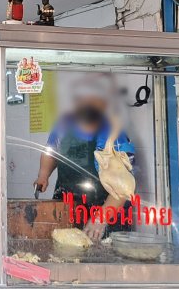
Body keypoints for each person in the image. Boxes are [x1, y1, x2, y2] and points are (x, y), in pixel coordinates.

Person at [33, 78, 135, 241]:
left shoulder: (113, 134)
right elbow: (50, 151)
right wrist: (43, 175)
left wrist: (100, 218)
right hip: (69, 206)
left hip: (106, 214)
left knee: (103, 253)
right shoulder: (63, 126)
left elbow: (123, 189)